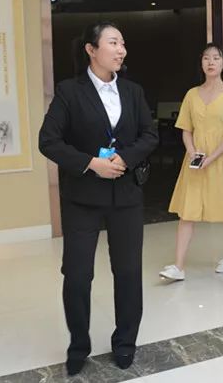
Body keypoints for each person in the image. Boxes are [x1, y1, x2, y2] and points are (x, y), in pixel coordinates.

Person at [38, 22, 158, 376]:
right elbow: (49, 141)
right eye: (113, 43)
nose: (121, 50)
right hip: (82, 198)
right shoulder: (69, 91)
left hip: (126, 194)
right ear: (91, 50)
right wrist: (91, 163)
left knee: (128, 272)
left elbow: (149, 135)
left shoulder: (133, 91)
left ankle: (125, 343)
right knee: (77, 275)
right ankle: (78, 345)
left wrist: (125, 158)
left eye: (123, 43)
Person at [159, 43, 223, 281]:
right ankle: (178, 266)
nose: (211, 62)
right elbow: (186, 129)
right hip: (196, 160)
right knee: (187, 211)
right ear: (201, 63)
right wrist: (192, 152)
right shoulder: (191, 94)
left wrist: (212, 157)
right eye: (206, 58)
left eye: (216, 58)